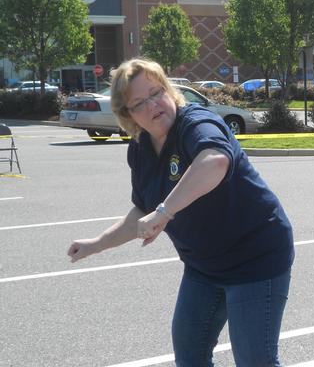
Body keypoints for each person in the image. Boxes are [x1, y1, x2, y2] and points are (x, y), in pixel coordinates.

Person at [67, 58, 294, 367]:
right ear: (127, 114)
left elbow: (214, 161)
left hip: (256, 258)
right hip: (204, 267)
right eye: (139, 102)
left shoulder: (196, 123)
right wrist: (98, 243)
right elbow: (142, 212)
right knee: (190, 355)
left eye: (156, 92)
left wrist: (164, 212)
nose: (153, 105)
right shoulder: (140, 148)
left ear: (169, 90)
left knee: (255, 360)